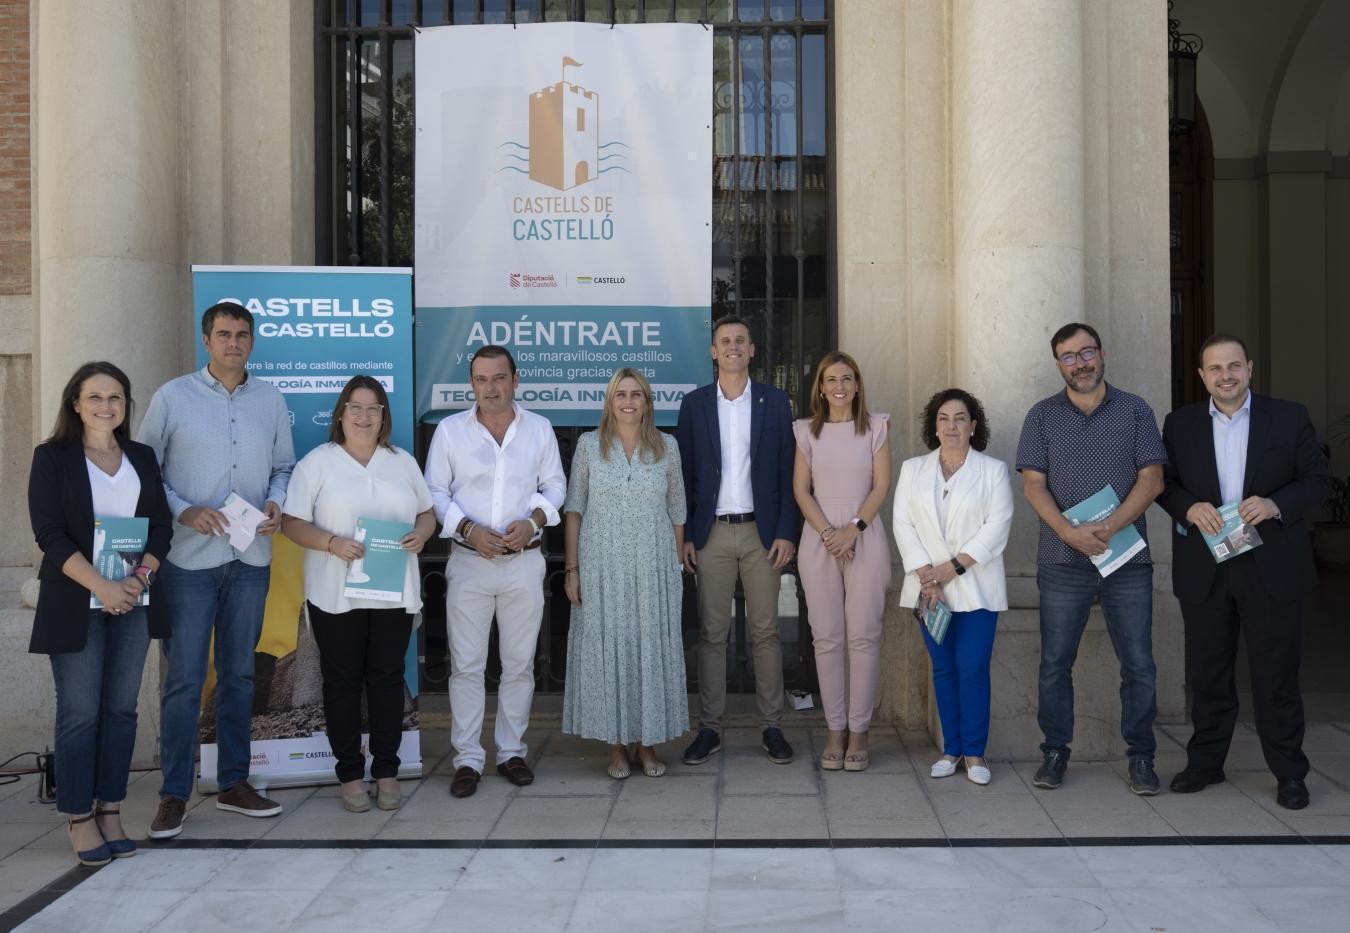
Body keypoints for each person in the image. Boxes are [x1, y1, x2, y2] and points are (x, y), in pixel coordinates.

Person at [137, 300, 295, 838]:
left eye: (242, 335)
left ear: (252, 341)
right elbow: (144, 469)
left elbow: (283, 467)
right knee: (183, 680)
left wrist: (275, 503)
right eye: (224, 334)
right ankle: (174, 793)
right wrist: (183, 509)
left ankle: (233, 783)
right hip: (187, 559)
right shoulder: (172, 397)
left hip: (250, 558)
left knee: (240, 675)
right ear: (206, 340)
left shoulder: (270, 399)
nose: (234, 343)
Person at [1156, 334, 1330, 810]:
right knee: (1210, 673)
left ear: (1250, 368)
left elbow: (1317, 480)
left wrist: (1276, 504)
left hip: (1272, 566)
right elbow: (1163, 484)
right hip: (1207, 567)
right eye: (1215, 368)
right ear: (1201, 375)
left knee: (1276, 676)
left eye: (1234, 366)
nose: (1226, 376)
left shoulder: (1289, 416)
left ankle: (1290, 773)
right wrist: (1189, 507)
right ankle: (1206, 763)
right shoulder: (1180, 423)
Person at [27, 362, 173, 865]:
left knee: (121, 709)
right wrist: (104, 587)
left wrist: (136, 581)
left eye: (115, 397)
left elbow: (160, 527)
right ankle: (79, 815)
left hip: (133, 600)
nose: (105, 406)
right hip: (77, 602)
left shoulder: (141, 457)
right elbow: (49, 534)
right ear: (75, 403)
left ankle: (110, 808)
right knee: (80, 712)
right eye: (94, 397)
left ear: (126, 405)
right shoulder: (53, 459)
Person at [1015, 322, 1166, 795]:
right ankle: (1056, 752)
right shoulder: (1041, 416)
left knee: (1139, 664)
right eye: (1068, 356)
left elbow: (1152, 480)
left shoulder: (1135, 409)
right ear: (1057, 363)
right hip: (1061, 561)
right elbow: (1033, 485)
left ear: (1103, 354)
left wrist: (1109, 528)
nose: (1080, 363)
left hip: (1127, 561)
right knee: (1056, 662)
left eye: (1087, 352)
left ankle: (1141, 756)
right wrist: (1068, 532)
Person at [280, 376, 436, 813]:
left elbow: (427, 512)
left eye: (374, 409)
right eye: (356, 407)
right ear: (341, 413)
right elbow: (292, 523)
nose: (364, 417)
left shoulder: (401, 461)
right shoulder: (318, 463)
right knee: (342, 682)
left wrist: (421, 535)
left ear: (383, 416)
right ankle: (349, 773)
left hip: (392, 591)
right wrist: (332, 543)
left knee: (386, 680)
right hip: (335, 594)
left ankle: (386, 769)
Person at [424, 345, 566, 798]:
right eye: (481, 379)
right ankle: (467, 758)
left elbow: (556, 486)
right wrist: (466, 527)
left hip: (524, 563)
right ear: (472, 383)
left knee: (519, 665)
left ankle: (511, 752)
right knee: (466, 666)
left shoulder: (539, 429)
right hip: (470, 562)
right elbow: (434, 492)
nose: (491, 387)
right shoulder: (450, 432)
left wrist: (534, 521)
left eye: (499, 378)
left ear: (515, 379)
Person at [675, 315, 801, 765]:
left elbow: (790, 474)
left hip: (761, 534)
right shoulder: (694, 406)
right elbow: (685, 477)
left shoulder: (775, 402)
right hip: (710, 535)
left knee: (766, 632)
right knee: (712, 634)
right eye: (724, 341)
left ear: (751, 351)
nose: (732, 347)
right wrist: (686, 534)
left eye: (740, 341)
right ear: (713, 351)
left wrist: (787, 531)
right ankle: (709, 728)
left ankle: (772, 726)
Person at [562, 369, 689, 779]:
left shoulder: (667, 447)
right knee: (611, 651)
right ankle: (617, 747)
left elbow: (678, 511)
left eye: (637, 394)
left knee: (648, 652)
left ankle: (647, 744)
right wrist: (572, 569)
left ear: (648, 401)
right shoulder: (588, 446)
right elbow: (574, 509)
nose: (629, 401)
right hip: (602, 567)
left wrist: (672, 567)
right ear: (609, 401)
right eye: (621, 394)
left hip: (653, 567)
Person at [893, 389, 1012, 785]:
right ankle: (951, 749)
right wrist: (927, 574)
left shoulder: (992, 471)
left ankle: (975, 753)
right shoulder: (912, 469)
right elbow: (902, 524)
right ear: (934, 426)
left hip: (976, 587)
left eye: (960, 418)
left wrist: (952, 568)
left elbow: (997, 528)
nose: (951, 426)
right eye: (943, 418)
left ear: (973, 426)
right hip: (929, 591)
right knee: (943, 669)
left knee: (973, 668)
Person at [791, 352, 891, 772]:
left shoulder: (876, 427)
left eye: (846, 378)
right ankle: (835, 728)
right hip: (819, 539)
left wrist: (854, 529)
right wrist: (831, 535)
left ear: (856, 384)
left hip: (864, 536)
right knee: (826, 637)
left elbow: (882, 484)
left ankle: (860, 730)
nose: (839, 386)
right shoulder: (804, 432)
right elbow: (801, 490)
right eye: (830, 378)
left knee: (863, 636)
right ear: (820, 386)